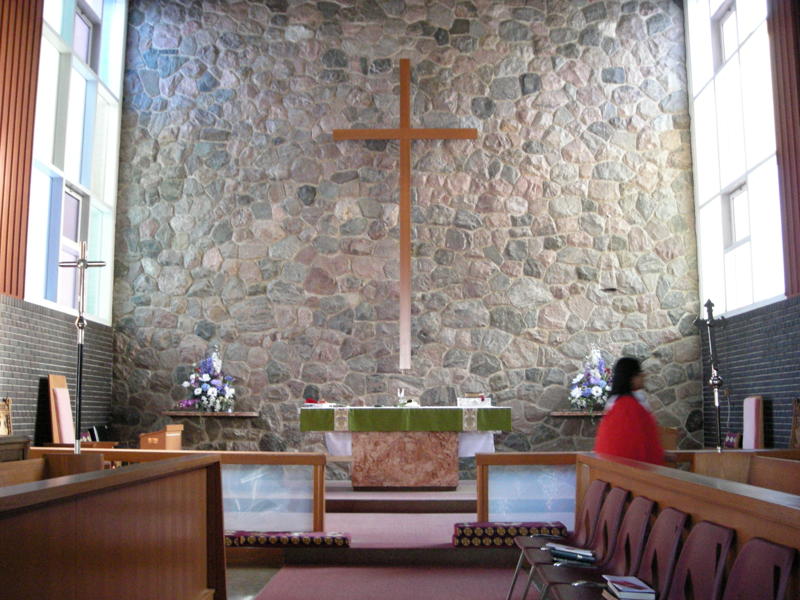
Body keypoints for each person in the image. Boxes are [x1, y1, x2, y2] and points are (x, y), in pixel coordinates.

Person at [593, 357, 664, 465]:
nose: (643, 376)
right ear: (631, 378)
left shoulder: (616, 404)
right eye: (639, 373)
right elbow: (635, 446)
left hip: (613, 467)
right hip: (629, 469)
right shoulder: (628, 407)